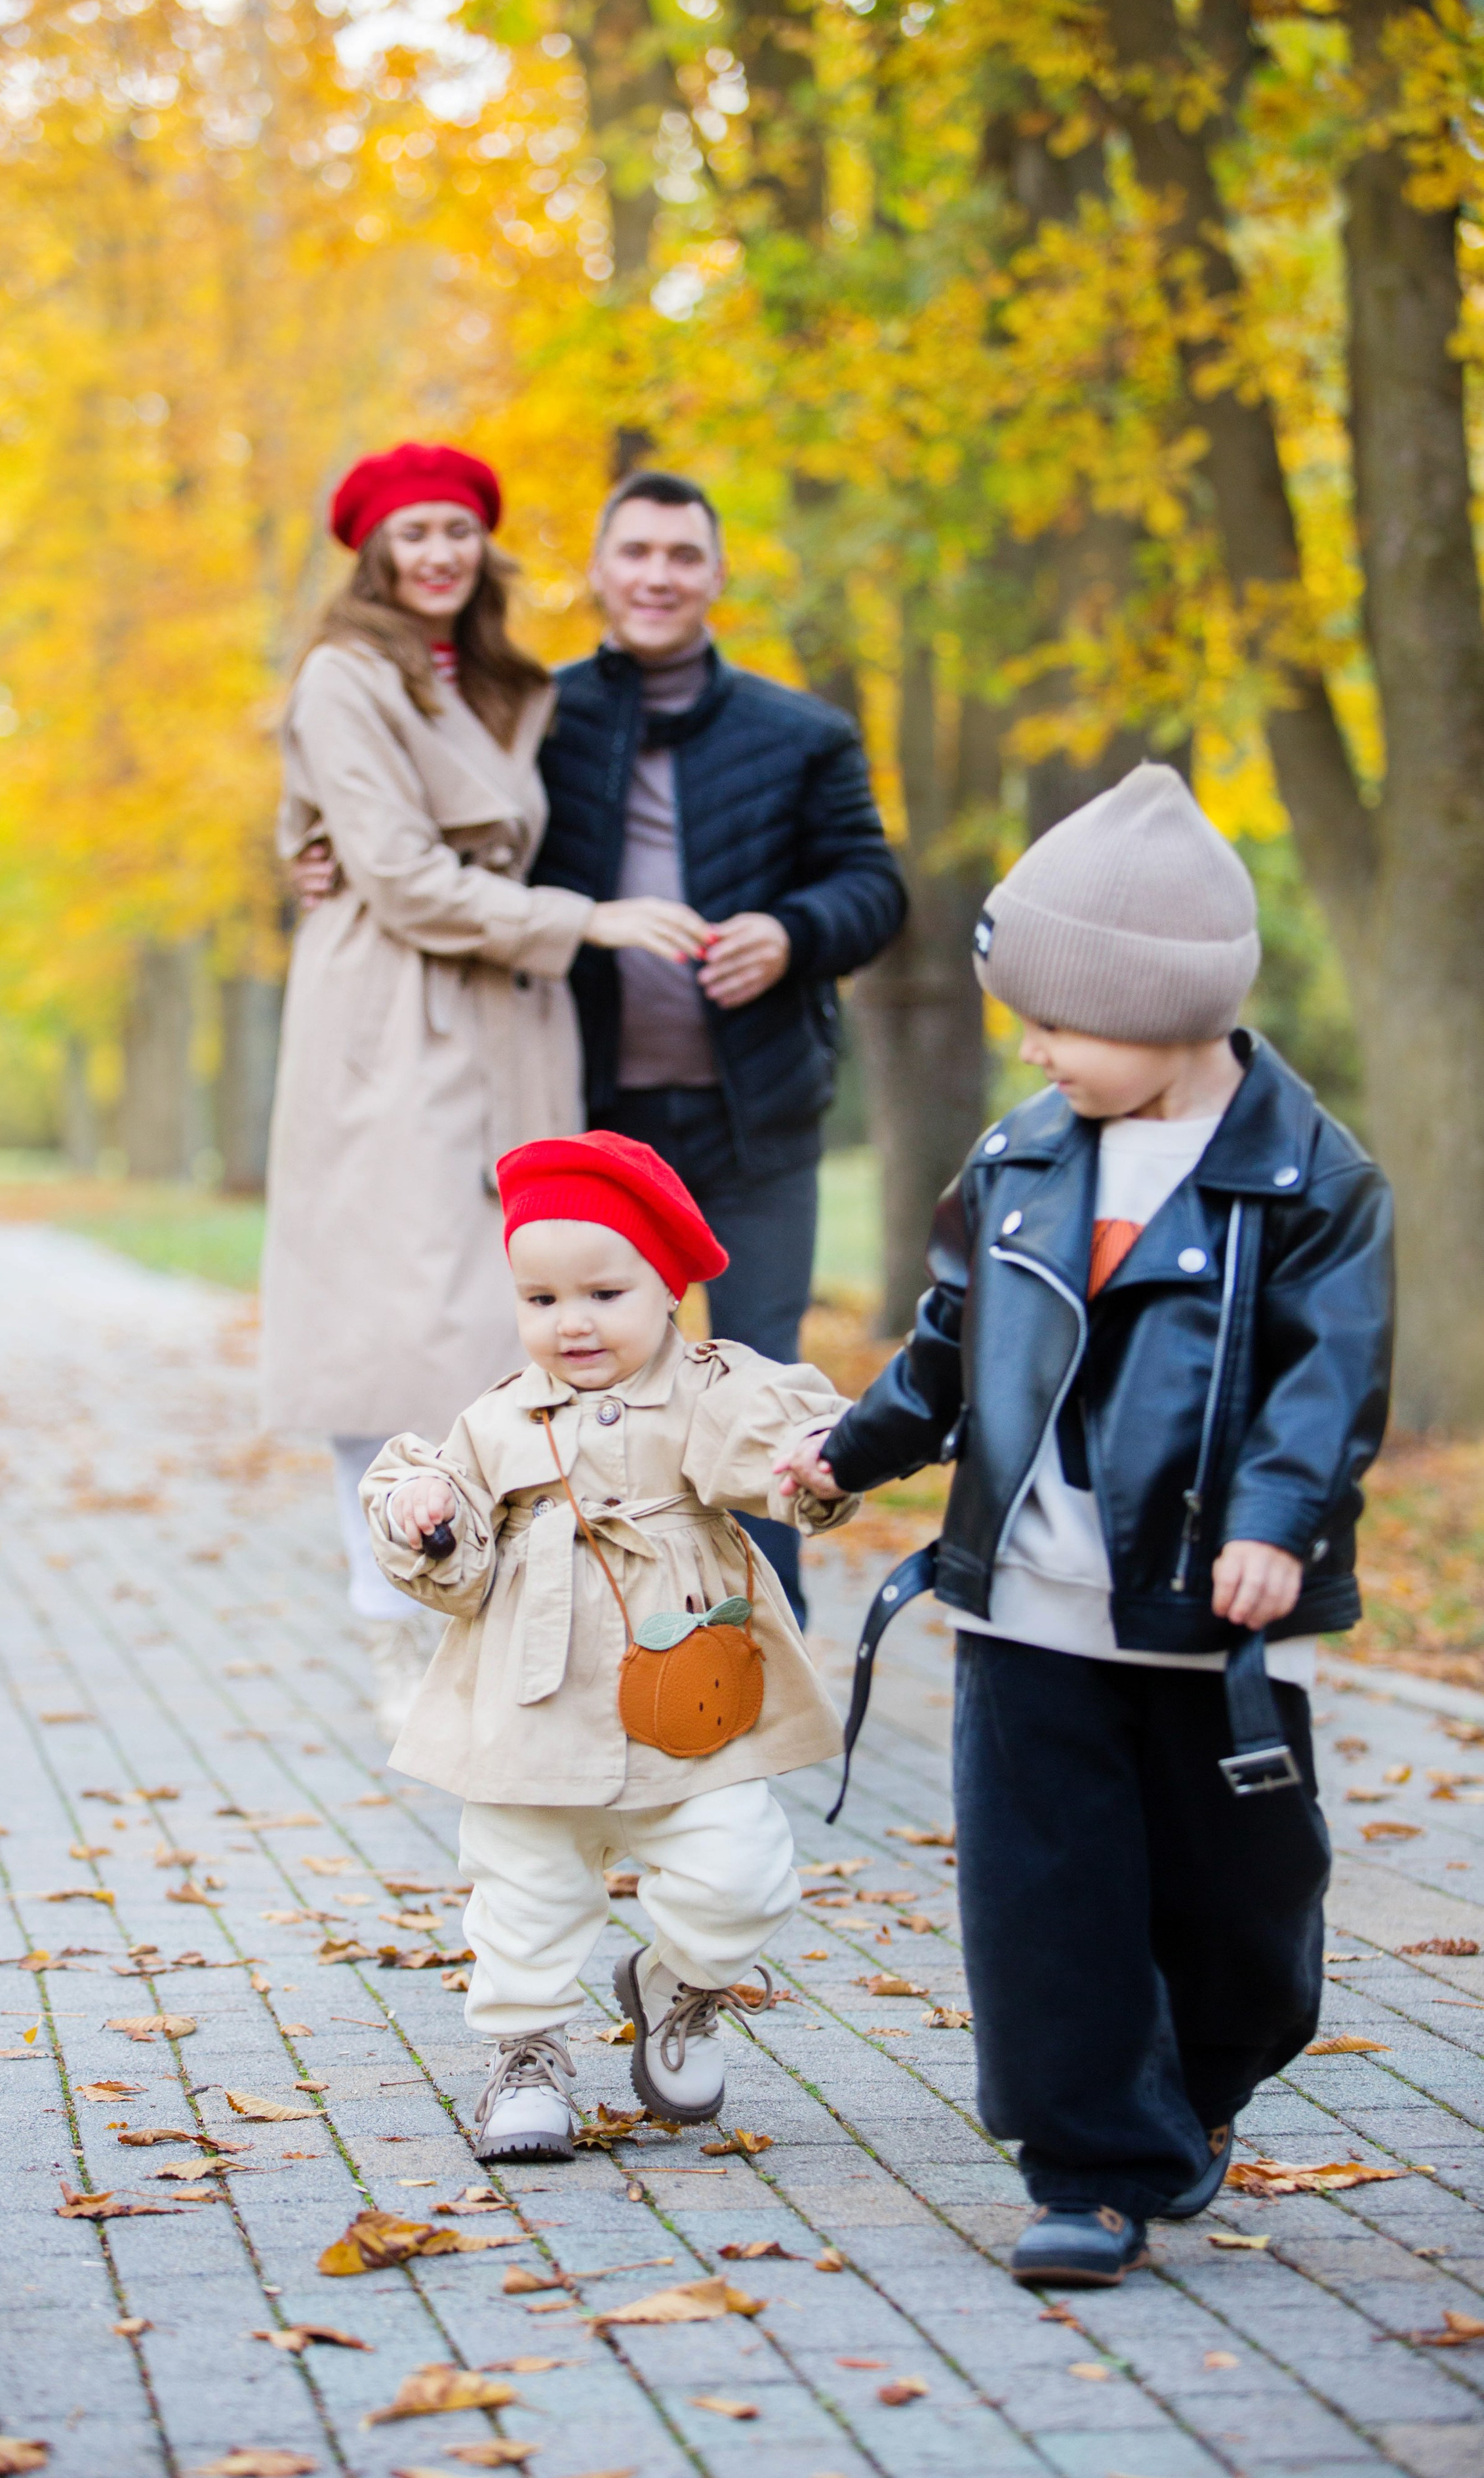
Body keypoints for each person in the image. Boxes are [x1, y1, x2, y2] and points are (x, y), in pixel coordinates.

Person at [775, 762, 1394, 2288]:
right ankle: (1088, 2168)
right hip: (1030, 1603)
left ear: (1174, 1010)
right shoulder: (1020, 1156)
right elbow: (947, 1342)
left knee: (1238, 1902)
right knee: (1046, 1894)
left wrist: (1273, 1519)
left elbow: (1330, 1375)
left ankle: (1192, 2091)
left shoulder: (1309, 1179)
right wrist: (849, 1453)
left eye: (1064, 1022)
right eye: (1026, 1024)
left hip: (1211, 1605)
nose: (1037, 1050)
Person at [260, 443, 711, 1734]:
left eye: (457, 532)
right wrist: (593, 920)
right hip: (394, 1016)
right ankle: (392, 1623)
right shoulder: (346, 675)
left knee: (502, 1317)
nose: (438, 556)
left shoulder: (509, 682)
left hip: (509, 1017)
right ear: (375, 553)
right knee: (389, 1324)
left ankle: (496, 1622)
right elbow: (396, 874)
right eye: (413, 536)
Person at [359, 1130, 853, 2162]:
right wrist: (426, 1514)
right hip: (530, 1703)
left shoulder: (713, 1387)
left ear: (665, 1288)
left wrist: (813, 1463)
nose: (570, 1322)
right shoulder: (500, 1418)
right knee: (525, 1884)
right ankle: (527, 2055)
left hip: (691, 1691)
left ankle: (680, 1979)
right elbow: (459, 1555)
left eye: (602, 1293)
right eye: (540, 1300)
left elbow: (780, 1448)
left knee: (742, 1872)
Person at [531, 471, 908, 1624]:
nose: (657, 575)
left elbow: (875, 889)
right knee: (600, 1383)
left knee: (755, 1387)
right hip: (596, 1127)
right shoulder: (536, 720)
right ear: (598, 570)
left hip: (757, 1117)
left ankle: (762, 1644)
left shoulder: (802, 734)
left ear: (716, 576)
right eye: (635, 552)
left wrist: (792, 934)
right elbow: (444, 848)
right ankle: (616, 1640)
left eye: (682, 555)